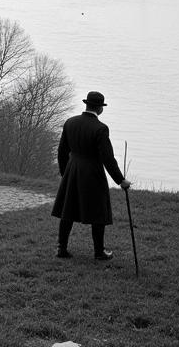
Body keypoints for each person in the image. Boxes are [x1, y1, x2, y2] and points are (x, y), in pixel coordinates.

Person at [51, 90, 132, 261]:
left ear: (86, 104)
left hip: (72, 169)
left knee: (68, 209)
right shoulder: (100, 128)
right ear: (100, 108)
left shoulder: (70, 122)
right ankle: (98, 251)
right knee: (98, 211)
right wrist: (121, 180)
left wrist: (64, 172)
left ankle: (61, 248)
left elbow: (62, 151)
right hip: (91, 172)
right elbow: (107, 158)